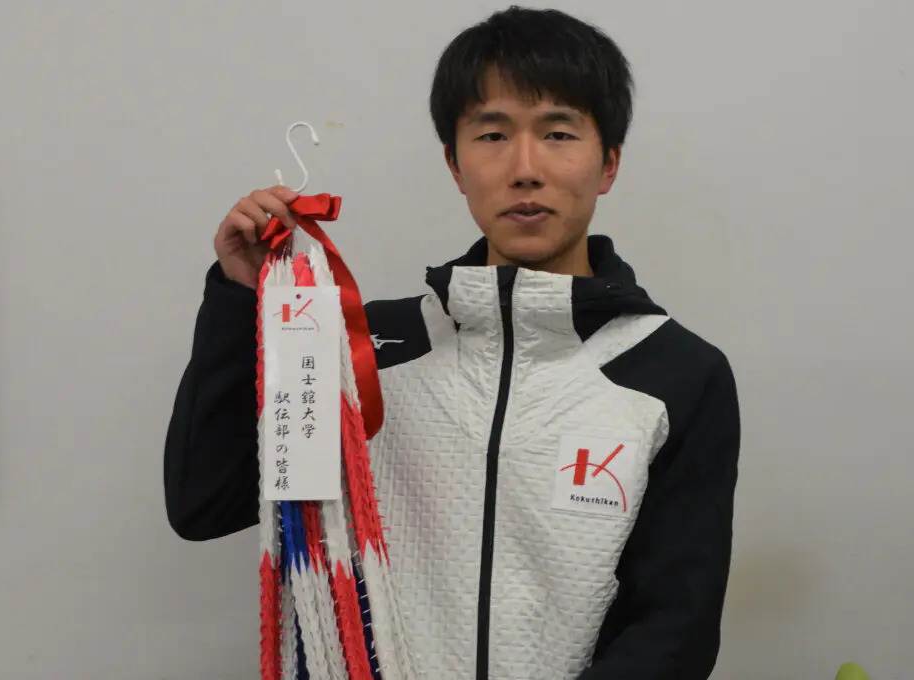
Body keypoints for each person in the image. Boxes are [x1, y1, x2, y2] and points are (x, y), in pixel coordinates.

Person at [164, 6, 741, 679]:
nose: (525, 168)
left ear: (607, 163)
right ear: (455, 164)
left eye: (558, 133)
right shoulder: (363, 349)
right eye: (492, 134)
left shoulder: (675, 373)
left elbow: (675, 631)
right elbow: (206, 504)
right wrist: (240, 298)